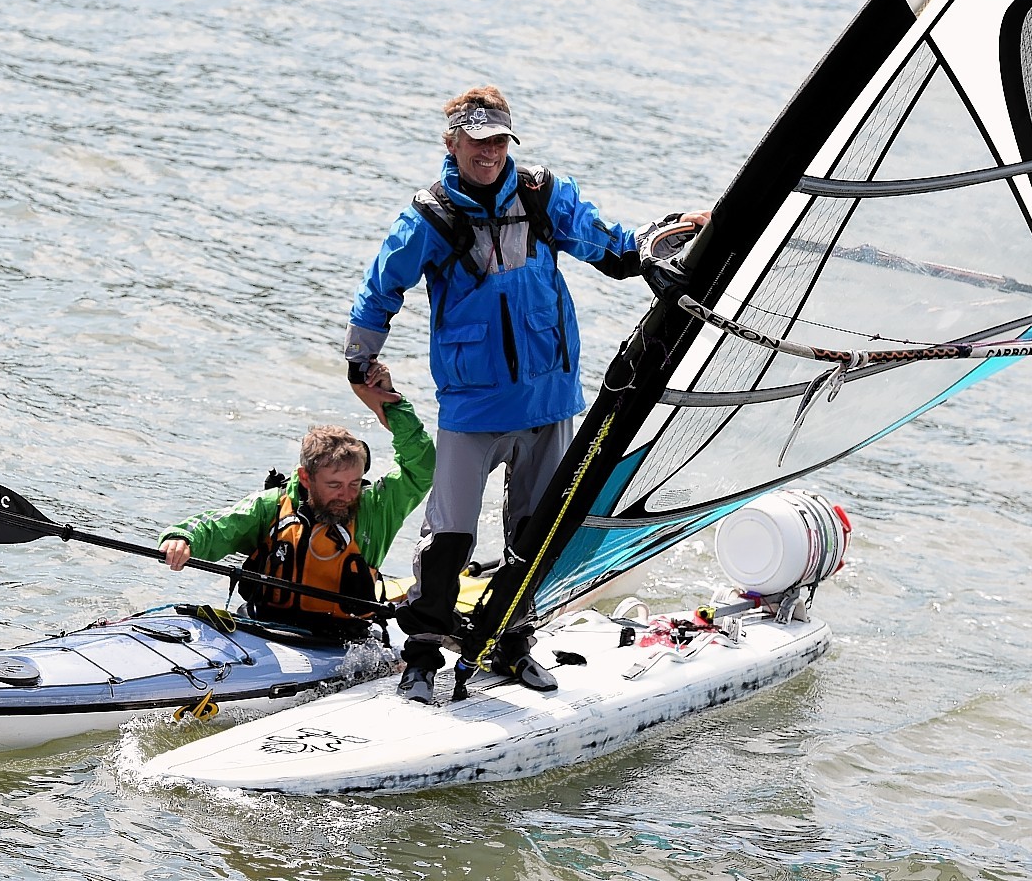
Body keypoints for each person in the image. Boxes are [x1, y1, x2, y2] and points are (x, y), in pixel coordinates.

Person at [343, 85, 710, 702]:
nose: (487, 153)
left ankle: (511, 647)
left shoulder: (544, 197)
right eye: (475, 141)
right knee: (450, 537)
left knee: (533, 536)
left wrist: (679, 233)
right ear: (452, 142)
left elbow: (615, 248)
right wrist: (361, 363)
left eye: (497, 142)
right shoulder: (428, 218)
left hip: (549, 401)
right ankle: (423, 657)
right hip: (474, 405)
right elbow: (380, 290)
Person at [159, 363, 434, 639]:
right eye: (334, 485)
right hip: (265, 627)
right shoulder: (271, 507)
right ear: (306, 478)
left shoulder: (375, 508)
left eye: (354, 483)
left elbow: (422, 466)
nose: (348, 495)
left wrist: (393, 406)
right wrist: (183, 538)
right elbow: (218, 528)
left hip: (343, 638)